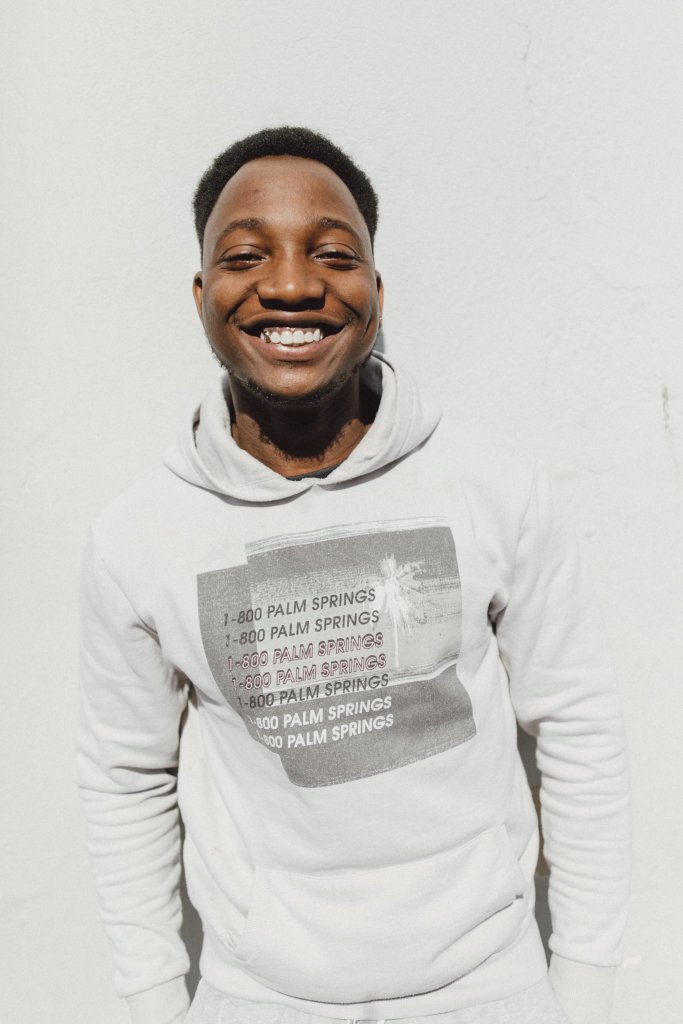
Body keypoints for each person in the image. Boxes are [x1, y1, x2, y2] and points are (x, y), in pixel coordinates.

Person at [78, 126, 630, 1024]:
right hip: (259, 997)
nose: (292, 284)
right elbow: (124, 774)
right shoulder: (138, 536)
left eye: (332, 254)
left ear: (375, 290)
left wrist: (587, 988)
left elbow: (577, 727)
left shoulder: (491, 486)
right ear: (202, 294)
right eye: (246, 256)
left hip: (490, 989)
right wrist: (151, 1000)